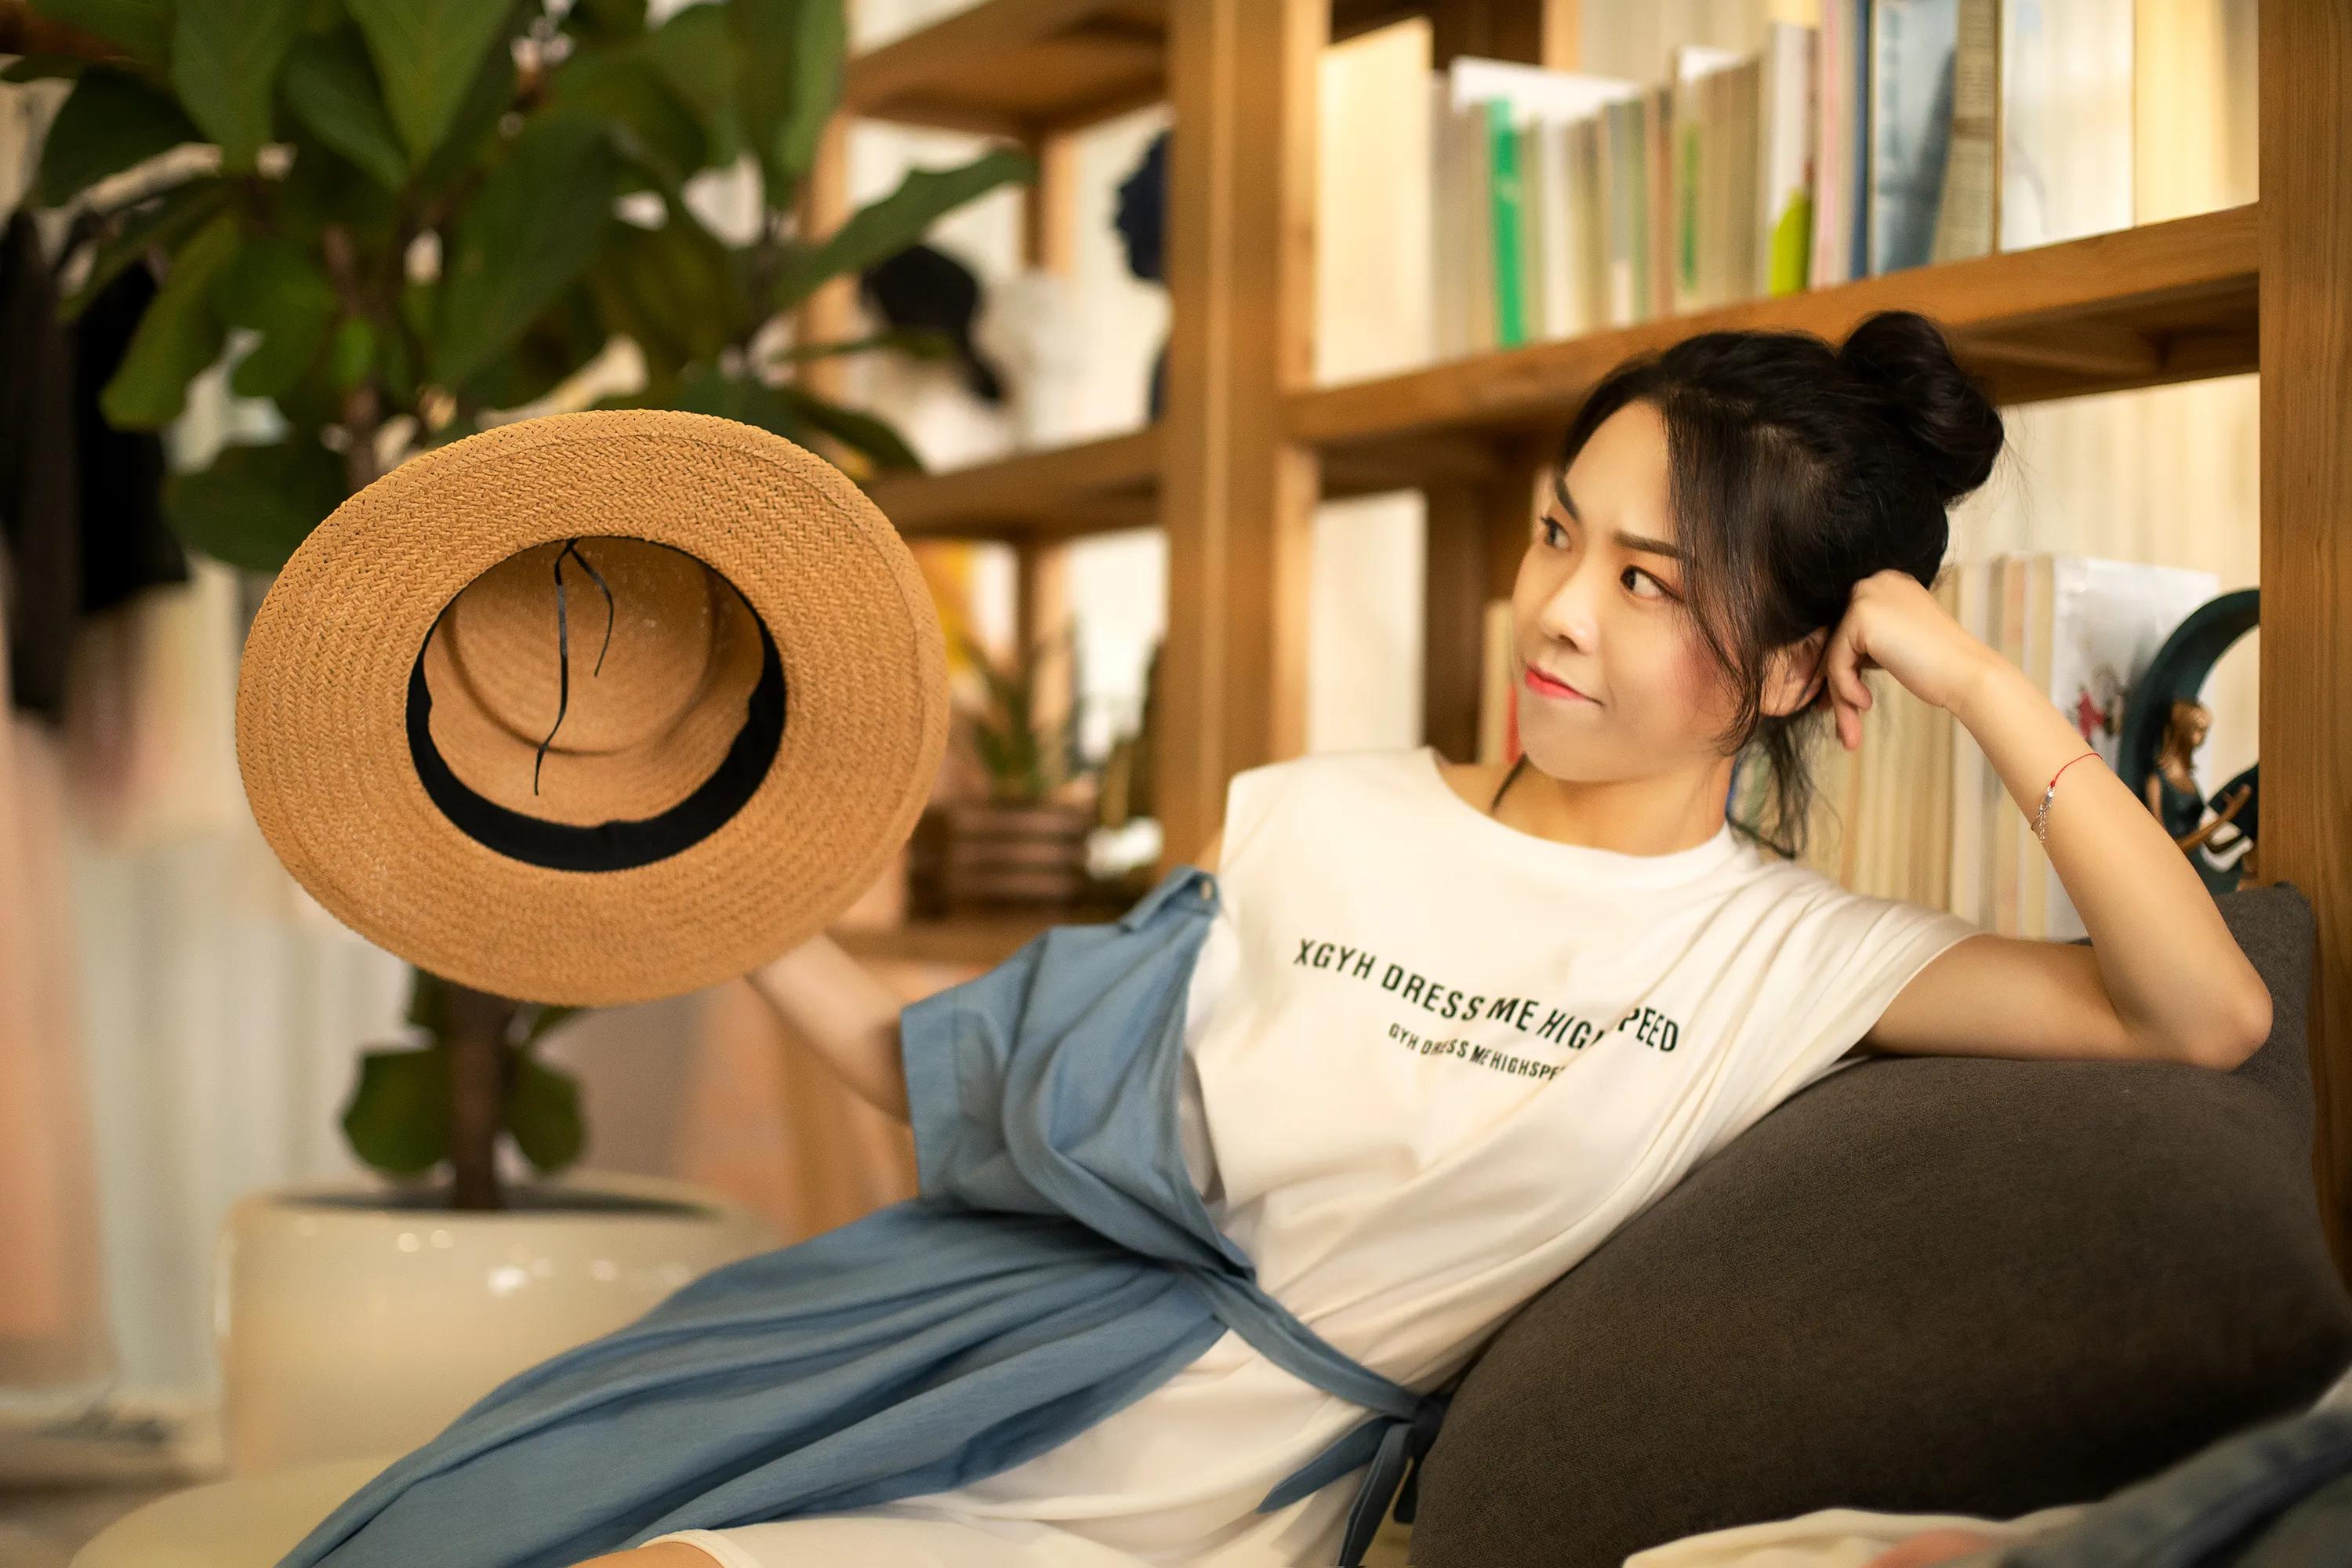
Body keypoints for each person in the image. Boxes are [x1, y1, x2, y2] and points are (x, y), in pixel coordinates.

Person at [588, 310, 2274, 1568]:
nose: (1556, 610)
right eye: (1559, 534)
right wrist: (706, 872)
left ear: (1786, 668)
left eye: (1648, 583)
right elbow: (970, 1075)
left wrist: (1971, 679)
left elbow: (2207, 1015)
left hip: (1211, 1519)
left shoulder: (1787, 956)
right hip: (973, 1383)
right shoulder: (1316, 816)